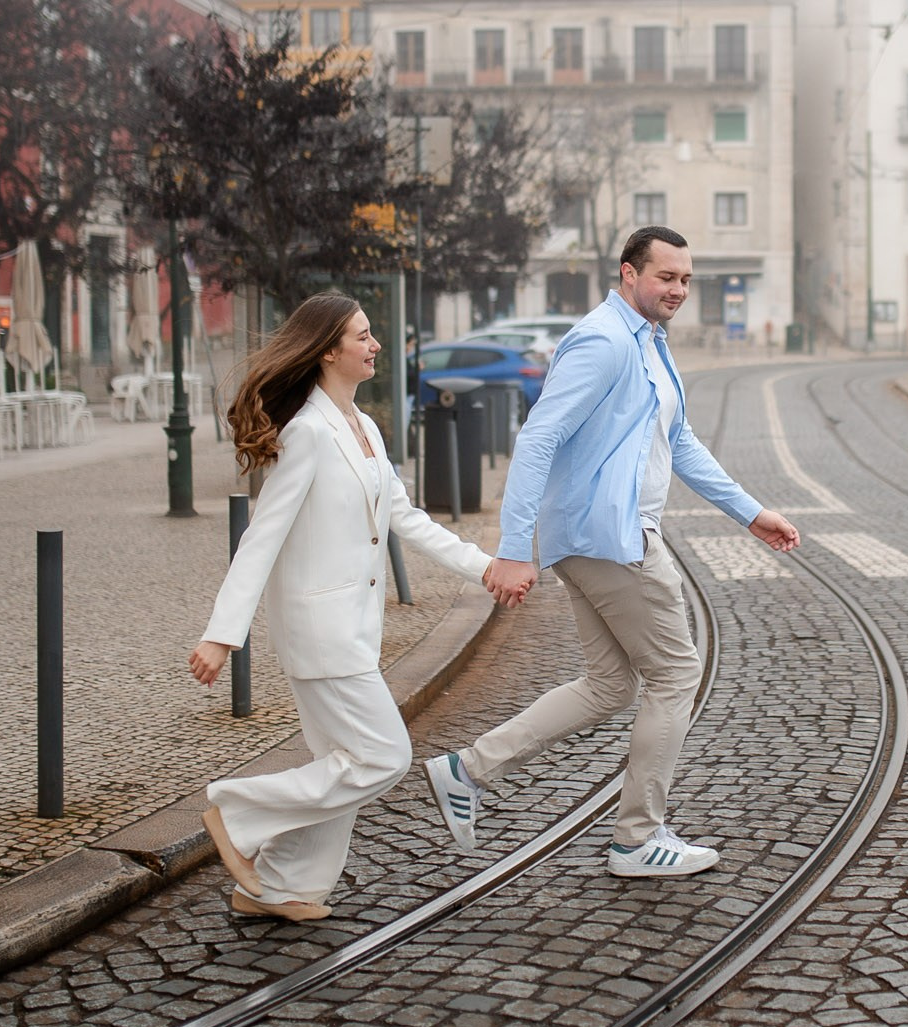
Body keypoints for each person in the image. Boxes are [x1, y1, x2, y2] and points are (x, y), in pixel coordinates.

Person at [422, 226, 801, 878]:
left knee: (608, 685)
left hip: (599, 536)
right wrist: (514, 550)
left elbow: (679, 442)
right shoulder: (604, 340)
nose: (678, 289)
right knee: (676, 675)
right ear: (629, 274)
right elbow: (537, 437)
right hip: (614, 537)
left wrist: (749, 510)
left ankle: (468, 767)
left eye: (686, 279)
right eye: (666, 277)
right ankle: (637, 837)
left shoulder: (649, 344)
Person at [189, 292, 517, 921]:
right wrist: (222, 634)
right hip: (319, 628)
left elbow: (405, 519)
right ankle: (237, 812)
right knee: (382, 757)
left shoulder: (363, 428)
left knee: (338, 764)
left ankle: (280, 886)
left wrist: (485, 568)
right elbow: (263, 535)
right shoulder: (308, 432)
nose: (374, 346)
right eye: (363, 337)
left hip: (353, 626)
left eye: (372, 335)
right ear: (327, 351)